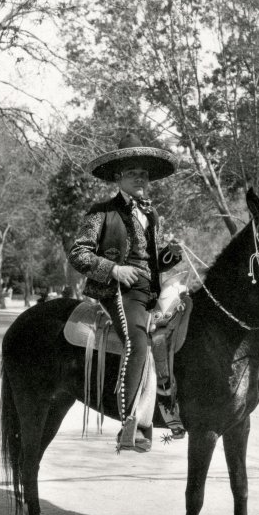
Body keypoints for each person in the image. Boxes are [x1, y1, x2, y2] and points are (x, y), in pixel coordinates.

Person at [68, 133, 183, 451]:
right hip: (118, 290)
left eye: (145, 174)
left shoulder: (152, 215)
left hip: (151, 288)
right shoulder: (100, 212)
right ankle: (133, 425)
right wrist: (114, 269)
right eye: (135, 174)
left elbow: (154, 260)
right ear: (118, 178)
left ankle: (174, 411)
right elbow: (79, 254)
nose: (142, 179)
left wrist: (170, 254)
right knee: (138, 341)